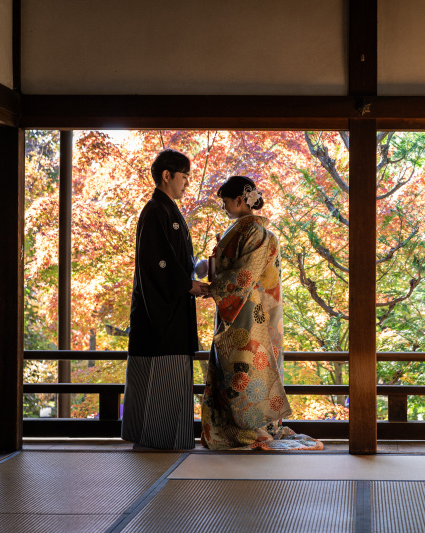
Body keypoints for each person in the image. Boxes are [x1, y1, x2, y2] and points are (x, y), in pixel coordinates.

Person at [201, 175, 321, 450]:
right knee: (235, 369)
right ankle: (236, 427)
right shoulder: (244, 229)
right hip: (239, 306)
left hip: (252, 310)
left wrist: (214, 287)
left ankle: (253, 428)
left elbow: (245, 274)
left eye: (225, 201)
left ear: (241, 200)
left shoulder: (256, 232)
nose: (223, 207)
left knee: (248, 366)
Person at [122, 148, 209, 450]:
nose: (187, 183)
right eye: (184, 177)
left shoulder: (166, 210)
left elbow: (177, 261)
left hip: (169, 308)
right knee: (164, 372)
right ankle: (157, 442)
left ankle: (156, 440)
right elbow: (157, 263)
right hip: (161, 314)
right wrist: (188, 285)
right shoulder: (156, 210)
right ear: (167, 176)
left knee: (164, 374)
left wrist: (198, 272)